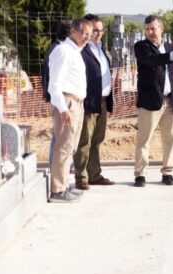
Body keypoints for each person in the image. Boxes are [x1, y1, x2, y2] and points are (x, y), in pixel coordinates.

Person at [132, 15, 173, 187]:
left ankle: (168, 172)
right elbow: (152, 61)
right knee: (144, 139)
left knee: (170, 138)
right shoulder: (141, 47)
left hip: (170, 102)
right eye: (147, 29)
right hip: (150, 102)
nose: (150, 32)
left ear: (161, 29)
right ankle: (140, 174)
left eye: (153, 28)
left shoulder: (170, 47)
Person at [47, 18, 92, 203]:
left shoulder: (75, 52)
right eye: (84, 33)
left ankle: (64, 185)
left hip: (77, 103)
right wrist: (63, 108)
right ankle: (57, 190)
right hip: (67, 102)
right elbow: (54, 83)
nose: (87, 38)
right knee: (63, 146)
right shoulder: (63, 51)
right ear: (72, 31)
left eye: (89, 34)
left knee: (70, 147)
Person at [73, 14, 115, 190]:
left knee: (97, 140)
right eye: (95, 30)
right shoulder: (81, 50)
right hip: (89, 102)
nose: (98, 34)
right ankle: (81, 177)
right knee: (84, 141)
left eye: (101, 30)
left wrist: (110, 101)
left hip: (103, 101)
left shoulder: (102, 50)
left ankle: (94, 175)